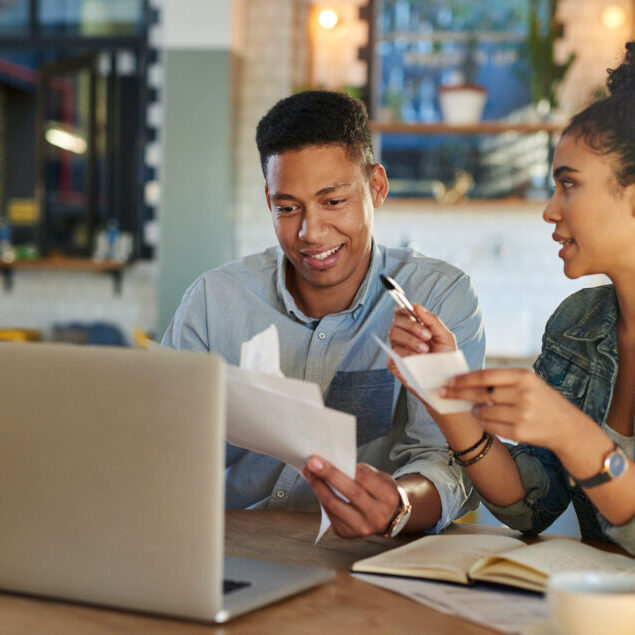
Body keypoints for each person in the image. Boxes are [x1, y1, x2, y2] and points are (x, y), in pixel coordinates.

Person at [163, 90, 485, 538]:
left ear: (376, 187)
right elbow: (163, 443)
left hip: (363, 557)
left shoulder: (438, 295)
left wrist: (401, 503)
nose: (310, 233)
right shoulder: (214, 301)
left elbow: (450, 458)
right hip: (226, 546)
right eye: (288, 208)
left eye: (333, 202)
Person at [388, 42, 635, 554]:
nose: (549, 210)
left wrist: (573, 433)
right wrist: (446, 393)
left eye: (568, 185)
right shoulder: (578, 324)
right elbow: (528, 505)